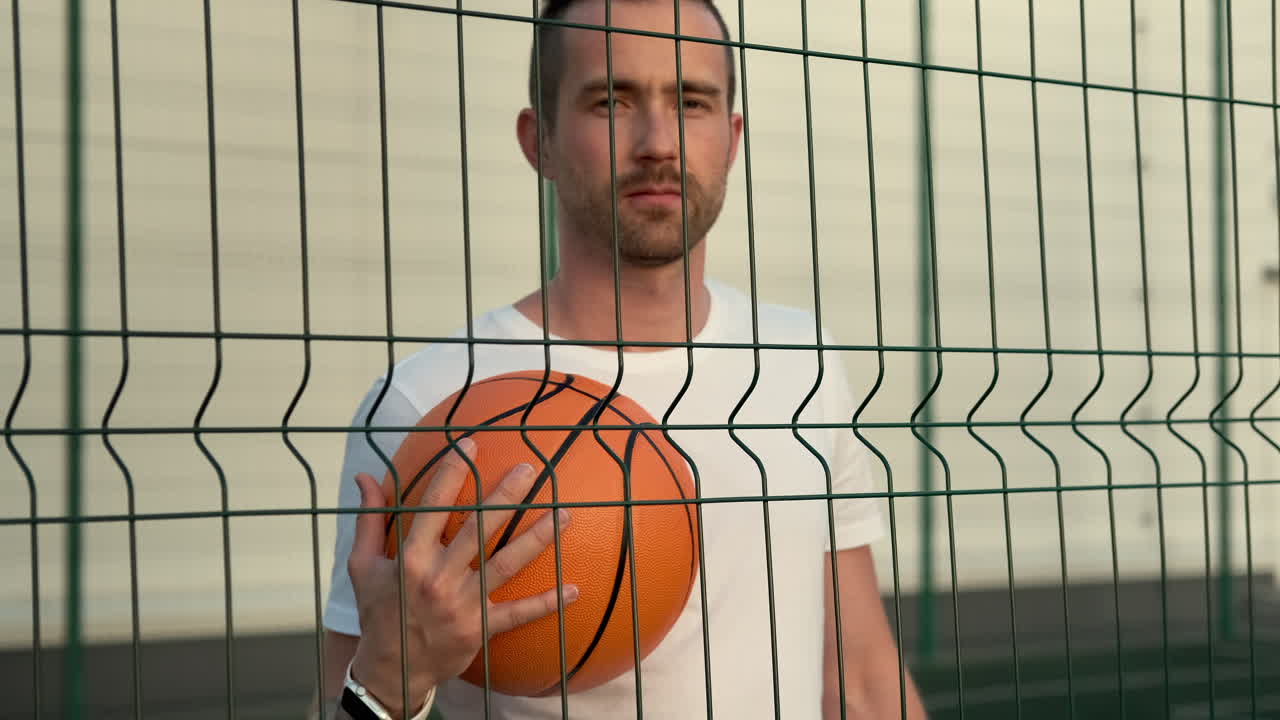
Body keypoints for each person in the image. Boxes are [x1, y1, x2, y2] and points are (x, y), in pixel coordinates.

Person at [316, 1, 927, 718]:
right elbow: (343, 695)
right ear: (537, 139)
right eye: (612, 100)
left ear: (731, 139)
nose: (658, 143)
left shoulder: (800, 361)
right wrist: (390, 682)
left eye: (691, 102)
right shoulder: (428, 398)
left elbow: (860, 676)